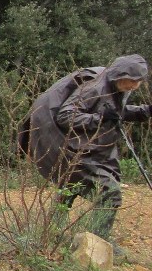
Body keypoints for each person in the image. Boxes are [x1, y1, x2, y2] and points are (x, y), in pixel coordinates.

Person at [19, 54, 152, 255]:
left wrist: (144, 111)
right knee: (110, 193)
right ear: (120, 75)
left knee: (70, 188)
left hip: (91, 149)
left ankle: (50, 232)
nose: (135, 86)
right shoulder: (94, 88)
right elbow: (66, 116)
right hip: (80, 150)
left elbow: (115, 113)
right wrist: (99, 118)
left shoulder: (115, 87)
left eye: (138, 82)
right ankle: (98, 244)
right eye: (132, 81)